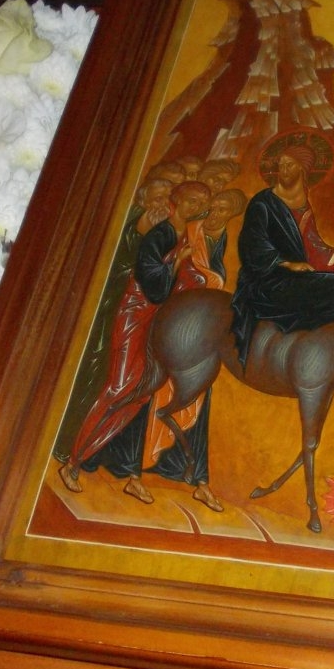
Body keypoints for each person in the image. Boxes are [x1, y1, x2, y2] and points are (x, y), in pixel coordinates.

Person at [59, 181, 211, 503]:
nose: (196, 206)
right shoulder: (160, 235)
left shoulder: (184, 237)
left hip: (154, 320)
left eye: (201, 203)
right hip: (135, 314)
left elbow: (182, 281)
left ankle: (107, 466)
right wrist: (177, 263)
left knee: (140, 395)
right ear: (176, 200)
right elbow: (153, 284)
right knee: (118, 388)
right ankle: (73, 462)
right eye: (191, 200)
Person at [143, 188, 249, 510]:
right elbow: (171, 274)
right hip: (177, 326)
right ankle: (149, 463)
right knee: (163, 391)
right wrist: (208, 281)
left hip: (202, 332)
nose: (215, 214)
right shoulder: (190, 233)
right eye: (212, 207)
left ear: (231, 215)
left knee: (199, 402)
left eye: (223, 210)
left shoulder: (223, 240)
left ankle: (197, 479)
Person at [230, 139, 334, 365]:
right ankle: (298, 334)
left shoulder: (303, 205)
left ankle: (308, 335)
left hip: (295, 279)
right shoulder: (263, 203)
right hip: (267, 280)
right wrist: (286, 263)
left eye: (289, 165)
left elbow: (311, 245)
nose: (283, 170)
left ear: (303, 168)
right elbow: (252, 244)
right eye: (281, 165)